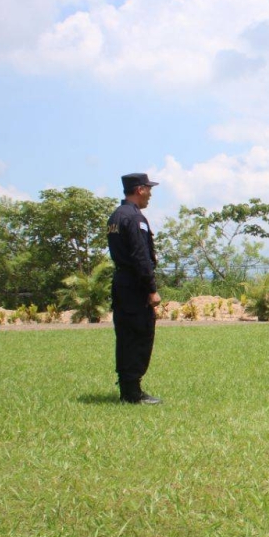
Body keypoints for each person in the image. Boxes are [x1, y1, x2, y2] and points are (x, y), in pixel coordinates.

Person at [107, 173, 162, 404]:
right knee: (139, 335)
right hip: (135, 286)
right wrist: (151, 289)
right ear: (139, 189)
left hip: (122, 283)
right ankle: (132, 393)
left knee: (126, 336)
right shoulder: (134, 218)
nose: (150, 194)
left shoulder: (116, 216)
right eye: (148, 189)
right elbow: (141, 257)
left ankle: (128, 389)